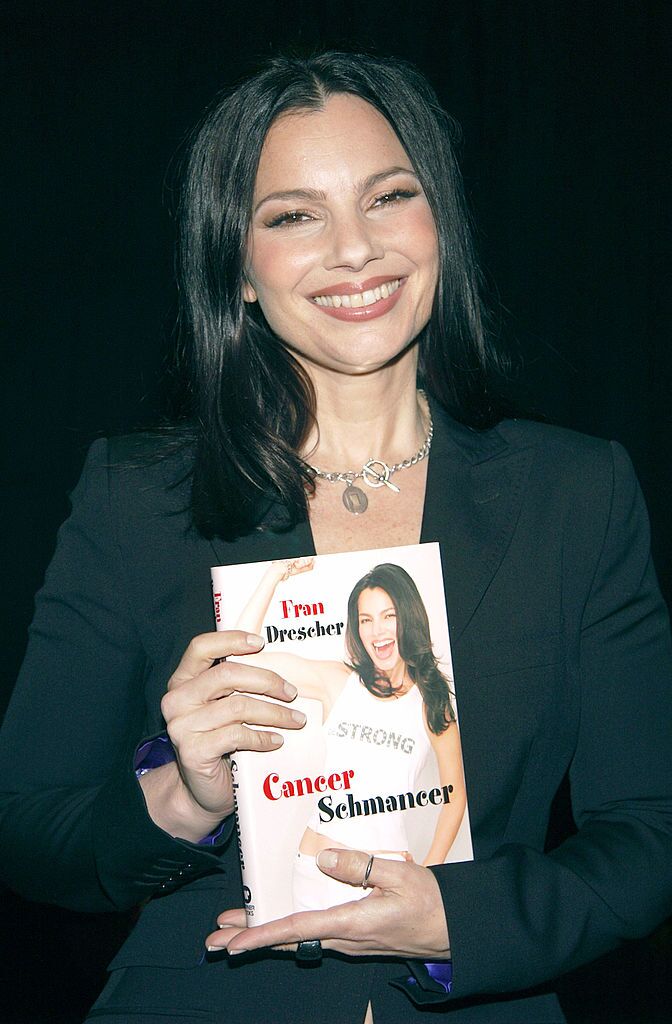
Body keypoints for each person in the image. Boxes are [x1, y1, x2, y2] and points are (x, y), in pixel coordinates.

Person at [0, 50, 670, 1024]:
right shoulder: (135, 497)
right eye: (294, 215)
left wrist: (465, 919)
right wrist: (182, 796)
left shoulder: (580, 492)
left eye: (389, 197)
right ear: (236, 266)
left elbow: (651, 831)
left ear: (439, 222)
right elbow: (24, 827)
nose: (355, 249)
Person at [232, 557, 466, 910]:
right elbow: (241, 663)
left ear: (409, 618)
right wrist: (272, 577)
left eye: (389, 616)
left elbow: (455, 796)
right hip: (314, 871)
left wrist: (427, 875)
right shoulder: (339, 683)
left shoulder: (431, 703)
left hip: (381, 883)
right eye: (366, 620)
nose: (378, 631)